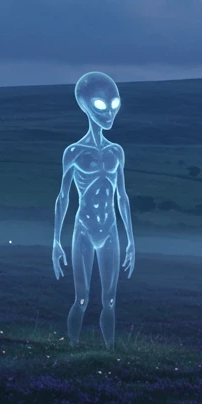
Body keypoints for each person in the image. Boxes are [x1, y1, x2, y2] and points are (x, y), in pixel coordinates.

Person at [52, 72, 136, 348]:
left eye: (115, 104)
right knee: (82, 298)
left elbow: (122, 196)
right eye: (101, 105)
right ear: (85, 106)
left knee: (110, 299)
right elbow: (63, 197)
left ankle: (110, 351)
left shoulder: (116, 152)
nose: (110, 113)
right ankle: (72, 347)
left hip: (110, 230)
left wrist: (131, 241)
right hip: (85, 230)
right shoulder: (74, 152)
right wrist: (56, 241)